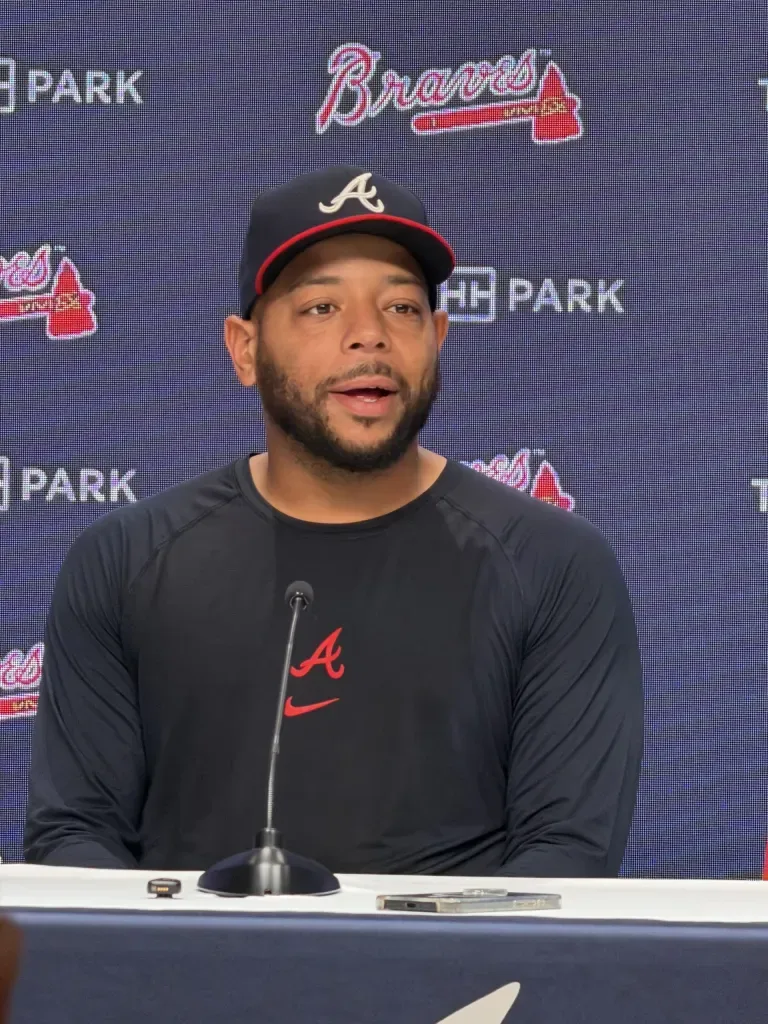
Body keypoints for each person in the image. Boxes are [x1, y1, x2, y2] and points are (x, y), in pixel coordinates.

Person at [24, 166, 643, 877]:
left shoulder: (553, 564)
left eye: (402, 308)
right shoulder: (124, 561)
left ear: (439, 338)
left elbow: (567, 856)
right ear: (245, 349)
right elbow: (75, 835)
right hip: (193, 953)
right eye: (322, 308)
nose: (369, 337)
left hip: (459, 956)